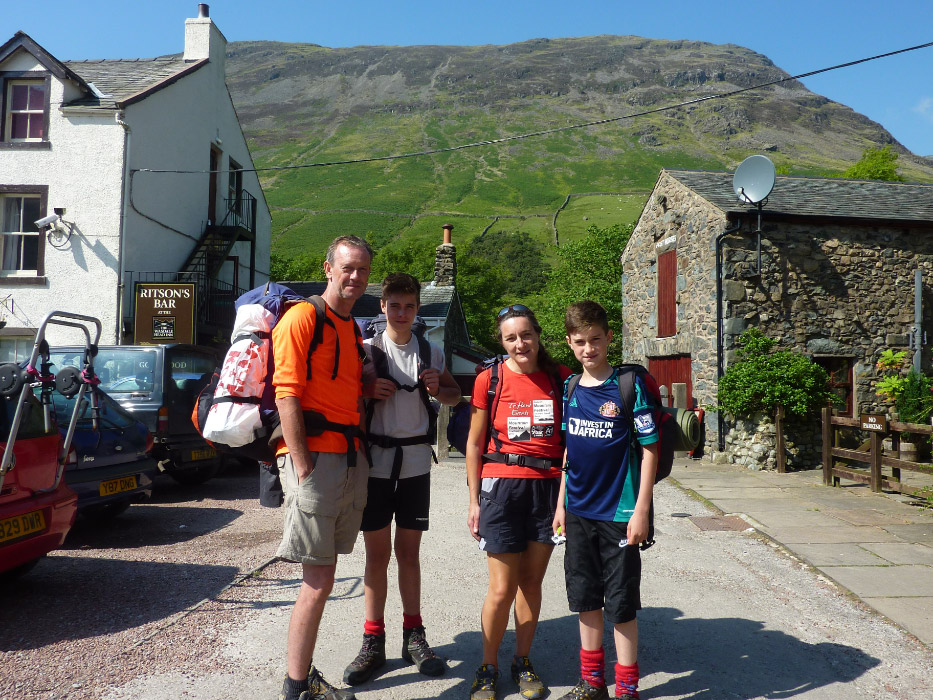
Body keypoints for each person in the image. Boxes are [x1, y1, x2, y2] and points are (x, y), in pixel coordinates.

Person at [343, 273, 462, 685]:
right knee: (376, 556)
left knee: (408, 553)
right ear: (383, 307)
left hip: (415, 465)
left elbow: (453, 396)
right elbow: (346, 398)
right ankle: (373, 640)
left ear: (417, 309)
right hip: (374, 465)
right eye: (395, 305)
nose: (402, 312)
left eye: (410, 306)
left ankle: (414, 635)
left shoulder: (431, 351)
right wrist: (366, 390)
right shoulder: (366, 351)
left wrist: (438, 389)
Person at [273, 235, 373, 700]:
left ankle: (302, 678)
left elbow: (346, 392)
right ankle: (297, 686)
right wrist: (303, 463)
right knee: (316, 580)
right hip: (315, 460)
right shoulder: (302, 318)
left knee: (324, 575)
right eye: (348, 268)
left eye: (362, 270)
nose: (355, 277)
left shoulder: (351, 329)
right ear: (328, 268)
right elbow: (286, 392)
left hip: (345, 457)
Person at [553, 301, 659, 700]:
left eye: (595, 339)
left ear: (609, 338)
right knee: (585, 598)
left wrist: (642, 511)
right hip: (578, 512)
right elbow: (569, 453)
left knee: (621, 604)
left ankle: (627, 690)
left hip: (620, 514)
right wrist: (561, 504)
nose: (588, 349)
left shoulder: (627, 387)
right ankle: (592, 683)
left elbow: (650, 448)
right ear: (569, 343)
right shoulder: (571, 387)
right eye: (579, 342)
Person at [466, 305, 572, 700]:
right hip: (502, 487)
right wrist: (474, 501)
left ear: (538, 335)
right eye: (511, 338)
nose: (519, 343)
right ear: (502, 342)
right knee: (501, 589)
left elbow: (571, 444)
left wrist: (564, 499)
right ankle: (487, 667)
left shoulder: (562, 379)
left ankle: (522, 662)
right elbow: (474, 443)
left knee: (531, 584)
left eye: (525, 335)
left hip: (546, 488)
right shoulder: (488, 379)